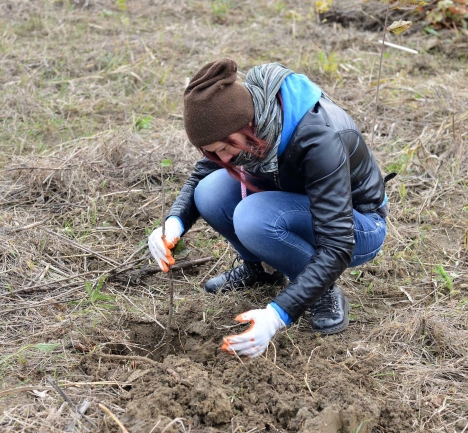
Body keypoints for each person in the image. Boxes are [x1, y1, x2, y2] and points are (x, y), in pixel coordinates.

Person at [147, 58, 390, 358]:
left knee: (253, 217)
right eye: (212, 152)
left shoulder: (318, 139)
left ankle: (322, 292)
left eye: (225, 148)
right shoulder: (247, 119)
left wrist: (278, 314)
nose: (222, 158)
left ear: (247, 125)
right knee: (209, 192)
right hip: (299, 204)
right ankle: (260, 271)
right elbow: (202, 174)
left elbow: (338, 242)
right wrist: (173, 224)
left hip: (359, 226)